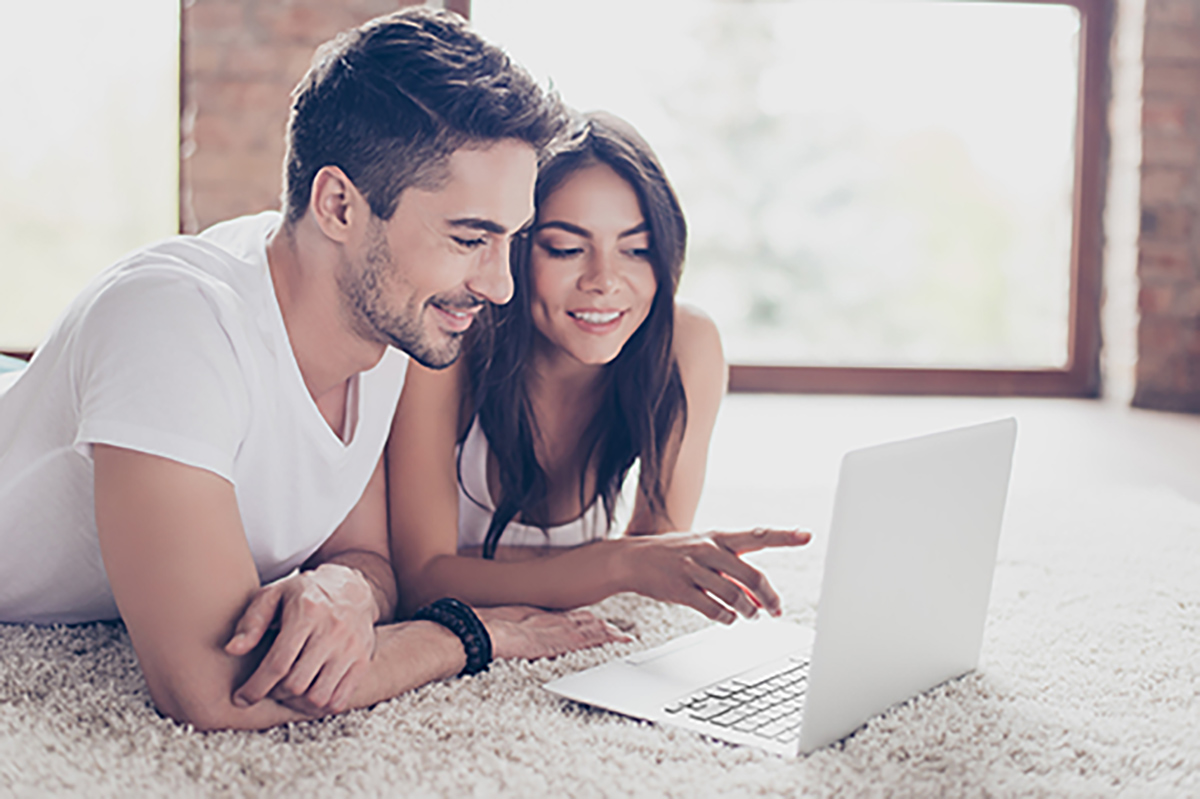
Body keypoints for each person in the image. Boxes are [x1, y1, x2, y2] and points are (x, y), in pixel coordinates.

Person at [0, 8, 624, 731]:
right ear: (338, 205)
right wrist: (470, 633)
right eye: (469, 238)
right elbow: (212, 687)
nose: (501, 286)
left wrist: (346, 590)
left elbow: (362, 553)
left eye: (508, 240)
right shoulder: (172, 322)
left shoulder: (389, 325)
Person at [388, 113, 810, 621]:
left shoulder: (685, 345)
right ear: (514, 250)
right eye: (567, 249)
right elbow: (422, 579)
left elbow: (658, 553)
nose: (605, 281)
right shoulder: (449, 342)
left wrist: (631, 561)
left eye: (636, 250)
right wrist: (615, 561)